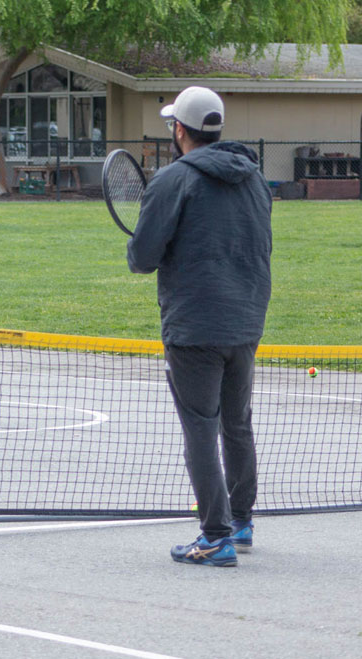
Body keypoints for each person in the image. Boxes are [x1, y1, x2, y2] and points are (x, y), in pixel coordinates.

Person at [127, 86, 272, 568]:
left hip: (194, 325)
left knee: (200, 430)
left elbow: (142, 259)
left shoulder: (172, 180)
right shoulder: (254, 180)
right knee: (236, 423)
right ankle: (240, 520)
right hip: (246, 320)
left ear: (180, 130)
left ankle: (215, 535)